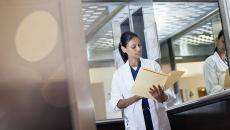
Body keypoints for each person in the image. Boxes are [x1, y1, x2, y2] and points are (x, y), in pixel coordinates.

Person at [110, 31, 174, 130]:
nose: (139, 49)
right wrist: (135, 97)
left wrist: (160, 97)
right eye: (133, 47)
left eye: (139, 45)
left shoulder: (153, 65)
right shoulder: (119, 74)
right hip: (135, 123)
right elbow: (115, 105)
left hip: (157, 120)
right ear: (124, 49)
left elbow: (169, 94)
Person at [203, 30, 228, 95]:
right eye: (223, 41)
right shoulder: (210, 62)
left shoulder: (227, 62)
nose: (226, 45)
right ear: (217, 40)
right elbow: (212, 92)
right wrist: (226, 89)